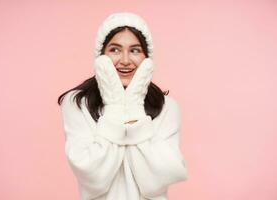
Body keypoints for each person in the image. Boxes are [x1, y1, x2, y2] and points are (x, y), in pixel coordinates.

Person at [57, 12, 188, 200]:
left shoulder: (168, 107)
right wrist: (114, 105)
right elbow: (93, 177)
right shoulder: (78, 103)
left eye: (135, 50)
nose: (125, 60)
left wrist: (134, 103)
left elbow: (156, 181)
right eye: (115, 50)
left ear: (147, 58)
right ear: (101, 55)